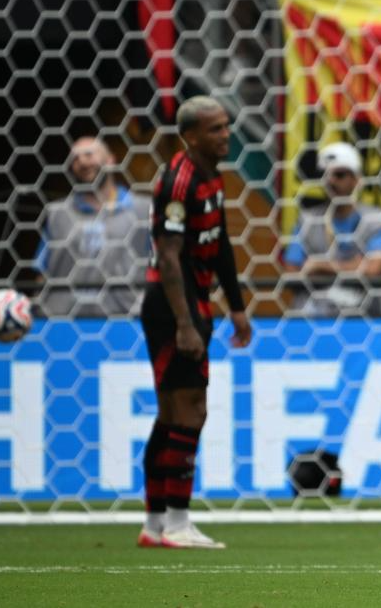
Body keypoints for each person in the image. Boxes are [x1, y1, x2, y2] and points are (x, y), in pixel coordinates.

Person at [137, 96, 253, 549]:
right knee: (190, 411)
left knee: (171, 414)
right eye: (215, 129)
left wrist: (237, 306)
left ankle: (155, 524)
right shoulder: (178, 182)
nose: (225, 135)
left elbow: (219, 243)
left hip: (192, 303)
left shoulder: (212, 176)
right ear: (189, 136)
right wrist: (185, 324)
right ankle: (178, 523)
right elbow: (167, 257)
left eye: (226, 125)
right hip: (175, 306)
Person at [34, 137, 150, 317]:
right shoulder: (58, 213)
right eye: (75, 158)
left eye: (88, 154)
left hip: (126, 318)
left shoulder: (142, 209)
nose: (82, 162)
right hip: (63, 319)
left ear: (110, 160)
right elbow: (43, 269)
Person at [283, 142, 381, 317]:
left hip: (364, 315)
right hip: (315, 313)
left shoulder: (378, 221)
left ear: (356, 179)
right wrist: (353, 266)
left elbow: (372, 269)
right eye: (325, 175)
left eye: (339, 174)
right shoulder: (307, 220)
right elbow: (291, 272)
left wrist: (319, 266)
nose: (331, 181)